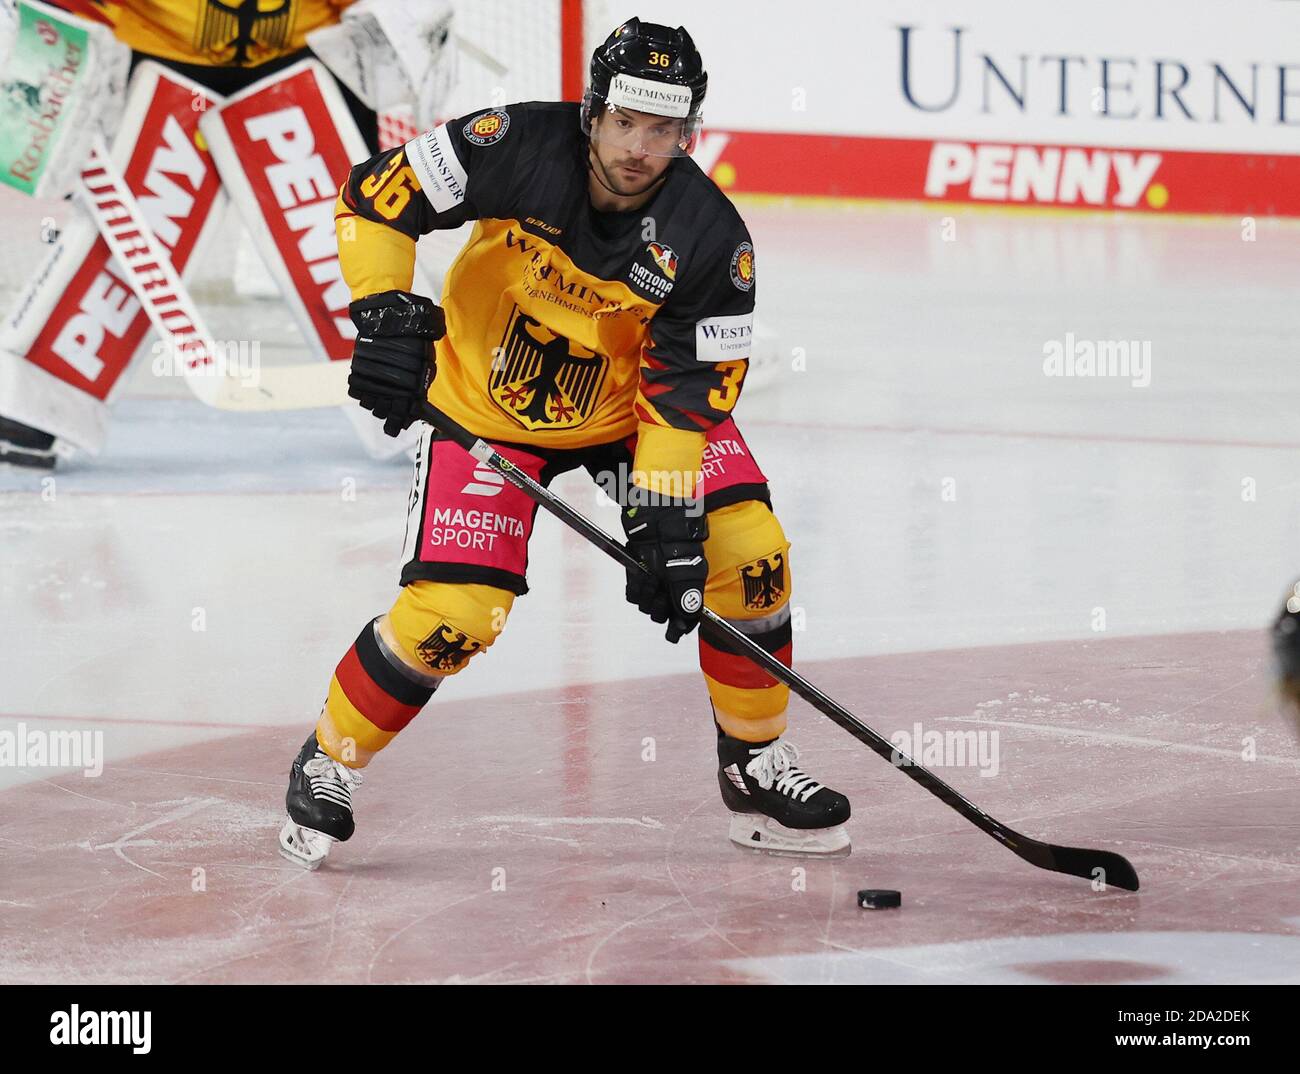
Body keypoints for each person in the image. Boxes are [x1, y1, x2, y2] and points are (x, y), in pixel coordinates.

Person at [279, 17, 852, 869]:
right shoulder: (511, 143)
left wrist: (663, 517)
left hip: (628, 416)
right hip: (482, 407)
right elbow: (378, 198)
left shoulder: (710, 235)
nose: (640, 147)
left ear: (686, 131)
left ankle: (754, 764)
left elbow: (690, 389)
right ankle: (330, 759)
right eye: (626, 121)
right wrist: (386, 312)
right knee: (456, 617)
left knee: (748, 554)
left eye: (664, 129)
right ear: (593, 111)